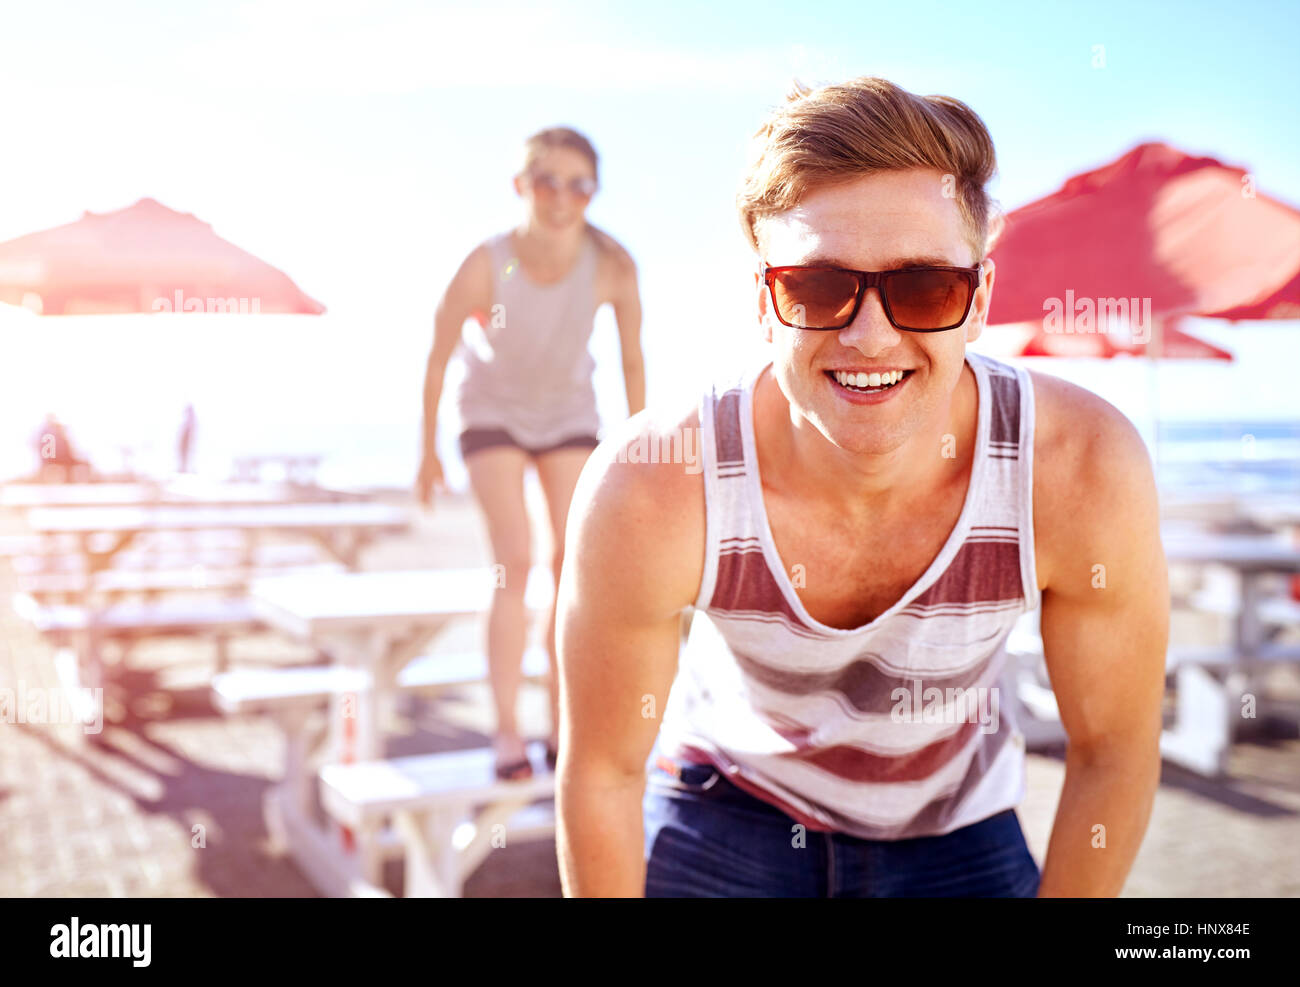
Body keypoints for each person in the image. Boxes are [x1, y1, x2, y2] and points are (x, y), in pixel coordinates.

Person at [556, 77, 1168, 897]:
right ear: (766, 305)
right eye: (817, 287)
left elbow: (1114, 752)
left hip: (958, 821)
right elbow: (601, 769)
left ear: (980, 298)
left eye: (924, 287)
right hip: (730, 800)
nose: (870, 336)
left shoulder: (1079, 467)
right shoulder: (654, 484)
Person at [416, 126, 644, 781]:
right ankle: (507, 730)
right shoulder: (486, 263)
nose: (563, 197)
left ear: (593, 192)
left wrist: (641, 445)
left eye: (580, 184)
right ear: (522, 186)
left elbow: (632, 359)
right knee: (513, 561)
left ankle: (561, 726)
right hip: (488, 410)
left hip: (568, 412)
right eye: (548, 181)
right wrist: (426, 450)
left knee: (571, 563)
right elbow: (436, 357)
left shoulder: (613, 265)